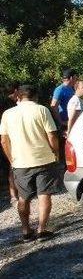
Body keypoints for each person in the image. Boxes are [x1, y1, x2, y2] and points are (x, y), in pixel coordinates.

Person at [0, 85, 59, 242]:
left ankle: (26, 230)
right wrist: (56, 153)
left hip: (20, 162)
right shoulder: (41, 110)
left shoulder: (7, 114)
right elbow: (52, 135)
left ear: (19, 96)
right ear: (35, 96)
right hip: (44, 159)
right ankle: (42, 229)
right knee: (44, 194)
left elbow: (4, 140)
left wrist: (11, 159)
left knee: (23, 198)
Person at [1, 82, 20, 204]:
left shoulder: (5, 102)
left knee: (10, 166)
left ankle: (14, 194)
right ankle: (13, 194)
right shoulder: (8, 104)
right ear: (16, 91)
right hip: (8, 137)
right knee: (11, 166)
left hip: (6, 136)